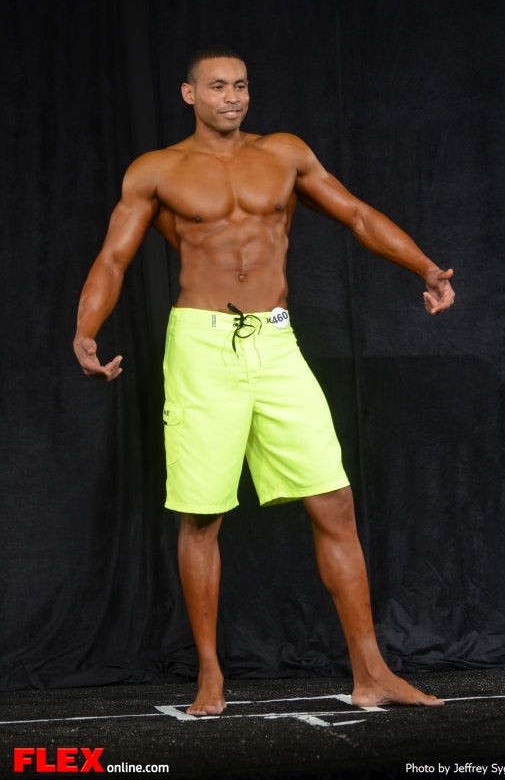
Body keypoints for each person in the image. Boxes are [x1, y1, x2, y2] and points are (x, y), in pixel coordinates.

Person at [73, 46, 455, 716]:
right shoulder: (156, 170)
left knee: (334, 501)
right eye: (218, 86)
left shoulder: (284, 153)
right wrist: (86, 330)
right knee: (202, 514)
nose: (232, 97)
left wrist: (423, 267)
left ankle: (371, 672)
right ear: (189, 94)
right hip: (201, 344)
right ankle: (210, 676)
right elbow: (113, 258)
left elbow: (357, 214)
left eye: (241, 86)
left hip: (276, 342)